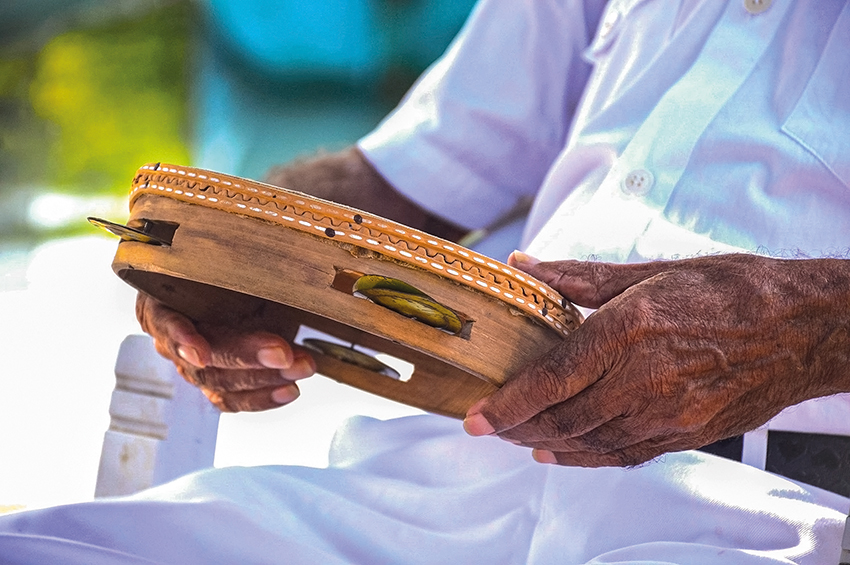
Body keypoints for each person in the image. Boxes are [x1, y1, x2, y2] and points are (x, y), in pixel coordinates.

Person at [2, 0, 849, 562]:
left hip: (782, 511)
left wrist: (810, 327)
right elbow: (410, 172)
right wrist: (225, 257)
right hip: (448, 477)